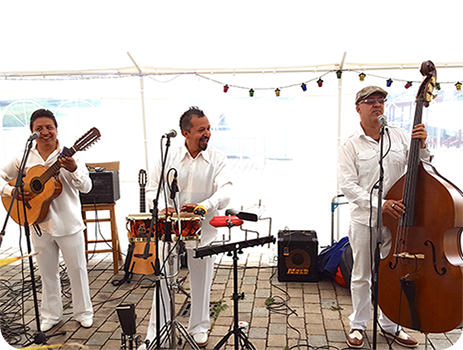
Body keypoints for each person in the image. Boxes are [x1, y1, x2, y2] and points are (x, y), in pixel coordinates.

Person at [338, 86, 431, 348]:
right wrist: (381, 204)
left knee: (394, 272)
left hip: (397, 220)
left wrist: (422, 146)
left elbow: (423, 167)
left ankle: (391, 324)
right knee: (362, 273)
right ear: (359, 108)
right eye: (371, 101)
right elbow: (348, 186)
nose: (377, 105)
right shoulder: (350, 145)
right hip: (364, 219)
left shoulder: (401, 137)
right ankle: (358, 324)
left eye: (381, 100)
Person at [140, 106, 233, 349]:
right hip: (169, 229)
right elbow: (152, 187)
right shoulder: (168, 155)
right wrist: (161, 207)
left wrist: (203, 207)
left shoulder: (218, 157)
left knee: (202, 279)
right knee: (162, 279)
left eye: (209, 129)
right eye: (202, 130)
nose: (208, 134)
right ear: (185, 133)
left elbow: (226, 191)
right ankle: (157, 331)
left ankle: (199, 327)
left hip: (203, 230)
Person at [0, 109, 94, 332]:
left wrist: (74, 171)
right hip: (38, 224)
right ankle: (51, 315)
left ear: (56, 130)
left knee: (77, 270)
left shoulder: (72, 156)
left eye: (49, 127)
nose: (45, 132)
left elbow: (87, 187)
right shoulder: (23, 157)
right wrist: (10, 190)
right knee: (46, 272)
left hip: (68, 223)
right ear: (32, 132)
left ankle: (83, 313)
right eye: (39, 128)